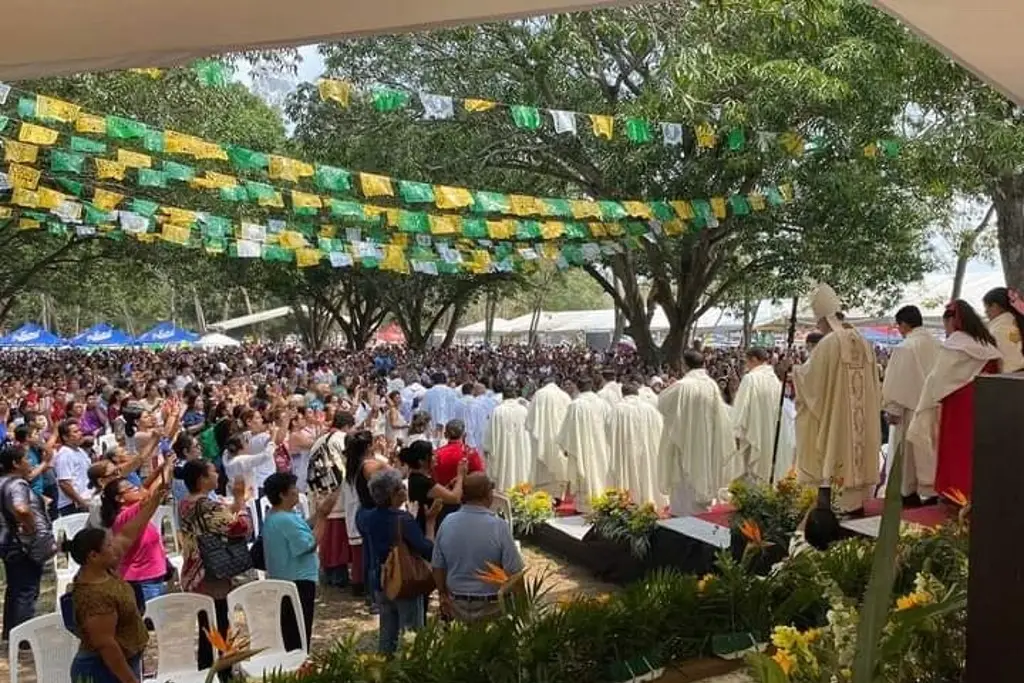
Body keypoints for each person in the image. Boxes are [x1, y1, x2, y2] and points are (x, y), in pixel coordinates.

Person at [67, 470, 170, 683]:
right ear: (93, 556)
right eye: (109, 545)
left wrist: (158, 495)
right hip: (104, 670)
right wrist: (130, 680)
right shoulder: (93, 596)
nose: (116, 547)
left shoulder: (107, 569)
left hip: (127, 660)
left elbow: (131, 530)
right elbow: (107, 646)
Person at [792, 283, 883, 516]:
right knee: (854, 459)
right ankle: (855, 508)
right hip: (859, 424)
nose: (817, 327)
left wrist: (793, 371)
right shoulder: (863, 341)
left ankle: (830, 514)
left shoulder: (829, 343)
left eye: (818, 322)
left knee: (832, 459)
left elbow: (811, 382)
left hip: (838, 421)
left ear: (824, 319)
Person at [907, 299, 1002, 501]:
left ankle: (957, 494)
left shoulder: (956, 343)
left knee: (957, 450)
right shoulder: (986, 342)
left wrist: (927, 399)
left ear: (952, 322)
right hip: (986, 403)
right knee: (979, 450)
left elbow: (937, 378)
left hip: (958, 405)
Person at [177, 460, 253, 679]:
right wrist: (241, 501)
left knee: (206, 627)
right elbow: (240, 527)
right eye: (213, 472)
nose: (217, 474)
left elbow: (219, 519)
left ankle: (206, 671)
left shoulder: (185, 503)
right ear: (202, 479)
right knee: (219, 626)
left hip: (194, 569)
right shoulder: (208, 506)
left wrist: (233, 505)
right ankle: (223, 673)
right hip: (211, 574)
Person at [261, 472, 339, 653]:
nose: (297, 491)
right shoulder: (285, 519)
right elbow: (309, 544)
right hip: (297, 581)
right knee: (299, 633)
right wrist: (322, 517)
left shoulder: (276, 515)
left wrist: (318, 514)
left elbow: (302, 527)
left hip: (284, 579)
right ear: (282, 494)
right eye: (293, 489)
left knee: (290, 630)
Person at [432, 473, 524, 624]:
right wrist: (523, 611)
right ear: (488, 495)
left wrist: (442, 594)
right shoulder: (498, 526)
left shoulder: (447, 523)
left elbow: (437, 566)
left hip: (457, 604)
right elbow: (515, 573)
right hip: (491, 607)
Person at [361, 468, 434, 654]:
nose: (404, 489)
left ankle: (384, 669)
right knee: (411, 633)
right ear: (393, 494)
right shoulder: (403, 520)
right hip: (404, 579)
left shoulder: (366, 517)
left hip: (380, 578)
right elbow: (426, 548)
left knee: (387, 632)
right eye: (401, 487)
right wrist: (430, 523)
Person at [656, 350, 734, 515]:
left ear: (684, 365)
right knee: (703, 470)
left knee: (684, 479)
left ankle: (683, 517)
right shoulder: (711, 385)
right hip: (706, 440)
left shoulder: (682, 386)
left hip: (685, 440)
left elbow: (661, 404)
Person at [881, 305, 942, 505]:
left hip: (910, 410)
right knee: (929, 452)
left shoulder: (905, 347)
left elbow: (899, 381)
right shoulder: (938, 344)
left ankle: (908, 492)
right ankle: (931, 491)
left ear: (904, 324)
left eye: (899, 326)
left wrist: (892, 409)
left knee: (907, 457)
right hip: (934, 407)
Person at [98, 454, 177, 602]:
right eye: (131, 489)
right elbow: (157, 491)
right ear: (119, 499)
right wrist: (167, 469)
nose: (136, 489)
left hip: (152, 576)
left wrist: (162, 468)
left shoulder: (132, 508)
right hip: (143, 580)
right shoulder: (126, 515)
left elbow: (146, 486)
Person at [0, 443, 56, 642]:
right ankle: (24, 641)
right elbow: (21, 509)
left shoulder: (3, 482)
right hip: (23, 546)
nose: (30, 462)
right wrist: (31, 527)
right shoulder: (17, 484)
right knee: (26, 591)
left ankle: (11, 635)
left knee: (15, 589)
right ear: (15, 463)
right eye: (26, 459)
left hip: (8, 544)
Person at [729, 347, 790, 483]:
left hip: (753, 429)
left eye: (747, 361)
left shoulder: (750, 378)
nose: (746, 365)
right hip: (771, 430)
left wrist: (736, 431)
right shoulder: (774, 380)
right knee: (766, 465)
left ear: (754, 360)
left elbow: (742, 406)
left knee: (751, 472)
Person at [606, 382, 665, 507]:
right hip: (646, 452)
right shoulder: (650, 409)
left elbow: (608, 431)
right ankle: (648, 501)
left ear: (622, 394)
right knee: (646, 474)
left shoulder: (616, 410)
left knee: (628, 477)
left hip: (625, 452)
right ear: (637, 393)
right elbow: (660, 429)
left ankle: (629, 503)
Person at [556, 379, 611, 512]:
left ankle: (585, 507)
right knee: (600, 472)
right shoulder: (603, 404)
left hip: (582, 448)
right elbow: (610, 427)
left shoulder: (575, 405)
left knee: (585, 472)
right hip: (601, 447)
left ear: (577, 387)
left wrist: (567, 448)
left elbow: (567, 431)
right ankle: (601, 502)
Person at [400, 440, 464, 537]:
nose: (435, 457)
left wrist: (449, 486)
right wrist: (461, 475)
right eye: (432, 455)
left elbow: (434, 495)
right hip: (426, 529)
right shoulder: (423, 482)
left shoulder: (416, 478)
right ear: (422, 461)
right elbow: (455, 498)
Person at [431, 419, 485, 526]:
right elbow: (480, 478)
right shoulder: (470, 454)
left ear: (445, 434)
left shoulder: (436, 454)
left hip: (442, 502)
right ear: (464, 435)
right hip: (465, 504)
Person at [524, 378, 572, 493]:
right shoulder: (564, 396)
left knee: (542, 470)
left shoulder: (538, 395)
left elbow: (529, 422)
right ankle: (559, 493)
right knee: (558, 464)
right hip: (558, 439)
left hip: (540, 439)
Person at [483, 382, 532, 493]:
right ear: (515, 396)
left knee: (504, 476)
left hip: (502, 452)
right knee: (521, 470)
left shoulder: (497, 411)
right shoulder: (523, 410)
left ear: (503, 397)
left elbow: (489, 436)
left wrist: (487, 448)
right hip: (521, 451)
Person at [54, 419, 94, 516]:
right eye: (75, 432)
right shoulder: (64, 454)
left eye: (80, 430)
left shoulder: (80, 450)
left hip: (86, 499)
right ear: (65, 437)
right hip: (73, 505)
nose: (80, 433)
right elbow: (64, 483)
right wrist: (81, 502)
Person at [982, 286, 1024, 372]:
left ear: (994, 306)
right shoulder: (1016, 322)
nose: (985, 312)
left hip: (1008, 376)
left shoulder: (998, 329)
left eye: (986, 307)